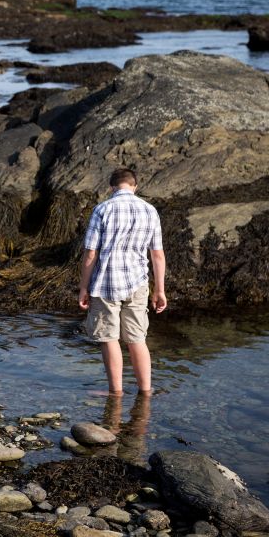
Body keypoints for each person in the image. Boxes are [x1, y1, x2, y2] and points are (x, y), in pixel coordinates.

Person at [78, 167, 167, 395]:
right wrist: (159, 291)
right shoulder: (150, 210)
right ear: (134, 186)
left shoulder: (102, 209)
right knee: (137, 338)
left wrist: (83, 287)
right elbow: (157, 255)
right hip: (137, 283)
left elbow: (90, 254)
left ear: (111, 187)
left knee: (109, 338)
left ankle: (115, 393)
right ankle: (146, 391)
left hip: (105, 283)